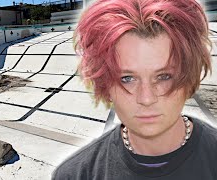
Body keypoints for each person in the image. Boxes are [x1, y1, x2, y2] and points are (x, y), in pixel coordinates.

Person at [52, 0, 217, 179]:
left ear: (189, 77)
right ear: (106, 84)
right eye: (127, 79)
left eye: (164, 77)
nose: (146, 99)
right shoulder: (75, 175)